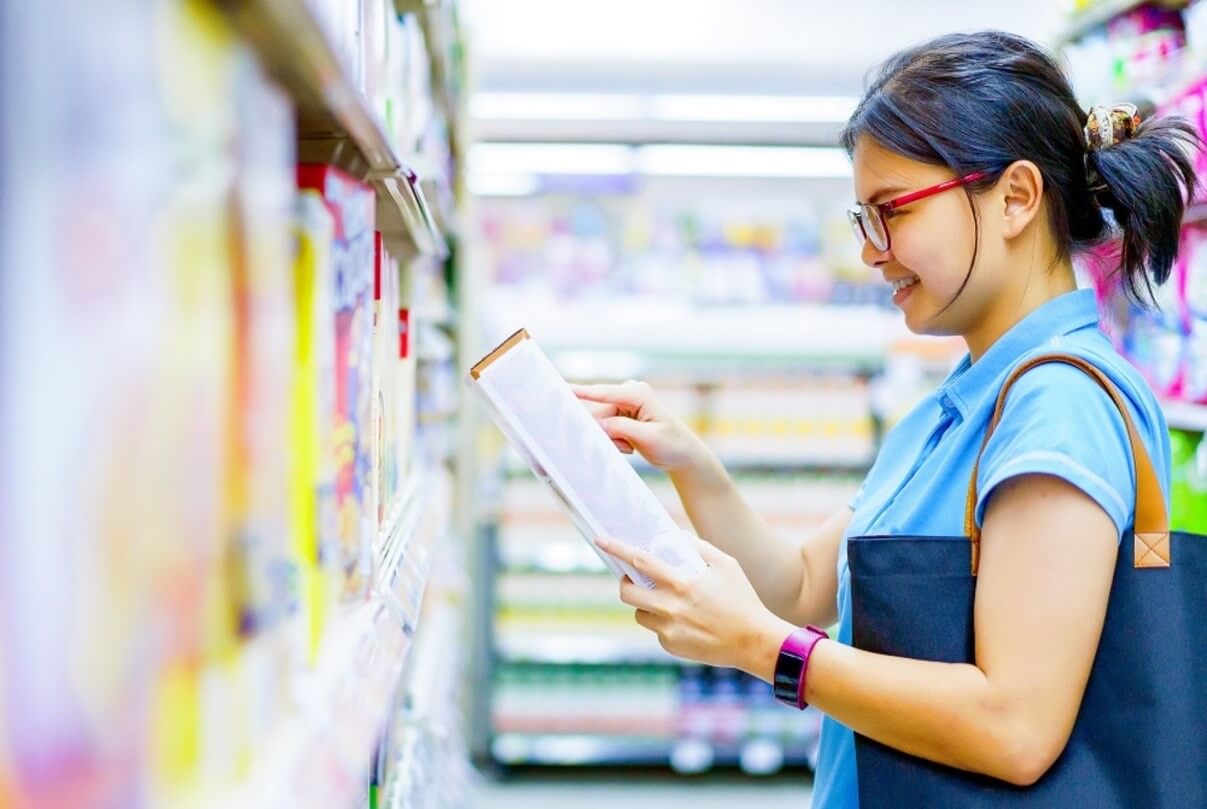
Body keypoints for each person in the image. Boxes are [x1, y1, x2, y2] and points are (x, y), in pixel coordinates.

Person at [575, 30, 1200, 807]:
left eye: (890, 211)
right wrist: (689, 462)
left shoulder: (1057, 408)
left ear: (1014, 198)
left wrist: (770, 653)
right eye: (861, 218)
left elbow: (1015, 727)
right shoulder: (969, 397)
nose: (872, 252)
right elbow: (803, 585)